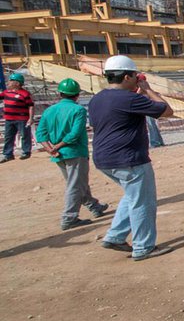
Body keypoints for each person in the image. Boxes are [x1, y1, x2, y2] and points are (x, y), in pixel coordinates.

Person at [88, 55, 174, 261]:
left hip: (103, 158)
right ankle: (143, 247)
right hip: (129, 159)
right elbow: (167, 111)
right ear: (127, 76)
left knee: (132, 196)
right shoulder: (130, 99)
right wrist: (148, 90)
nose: (137, 79)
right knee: (142, 202)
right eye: (135, 76)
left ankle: (115, 236)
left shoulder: (97, 98)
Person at [35, 78, 108, 229]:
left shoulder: (49, 110)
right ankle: (69, 217)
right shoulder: (78, 110)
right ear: (77, 95)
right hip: (75, 152)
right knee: (75, 185)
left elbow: (40, 134)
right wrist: (58, 146)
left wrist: (51, 149)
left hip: (58, 155)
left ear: (60, 93)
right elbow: (74, 134)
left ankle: (94, 206)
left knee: (77, 182)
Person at [1, 72, 34, 162]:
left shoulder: (25, 94)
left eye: (11, 81)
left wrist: (30, 118)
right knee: (8, 137)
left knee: (24, 135)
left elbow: (30, 106)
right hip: (9, 119)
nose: (8, 82)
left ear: (17, 83)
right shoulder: (6, 92)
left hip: (22, 119)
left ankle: (26, 152)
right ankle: (8, 154)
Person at [137, 74, 166, 148]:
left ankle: (155, 142)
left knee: (151, 126)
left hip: (147, 110)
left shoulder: (143, 90)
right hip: (146, 109)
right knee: (152, 125)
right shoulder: (145, 89)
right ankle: (159, 141)